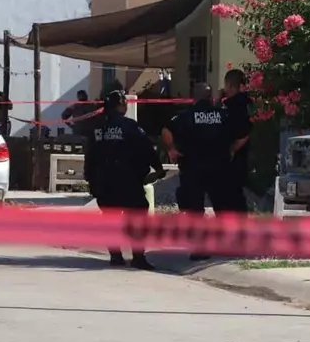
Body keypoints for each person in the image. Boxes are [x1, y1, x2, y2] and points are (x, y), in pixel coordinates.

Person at [85, 88, 165, 270]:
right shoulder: (130, 126)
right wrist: (158, 168)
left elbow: (89, 156)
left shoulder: (97, 128)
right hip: (128, 181)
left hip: (103, 182)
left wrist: (91, 180)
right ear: (121, 105)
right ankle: (138, 257)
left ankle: (116, 256)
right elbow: (146, 149)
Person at [162, 82, 233, 261]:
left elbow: (166, 130)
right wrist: (231, 150)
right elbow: (238, 133)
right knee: (223, 206)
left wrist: (171, 149)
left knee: (195, 210)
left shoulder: (185, 116)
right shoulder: (223, 114)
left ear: (194, 98)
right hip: (219, 168)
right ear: (211, 98)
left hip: (192, 168)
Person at [221, 69, 253, 212]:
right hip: (249, 158)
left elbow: (244, 133)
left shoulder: (232, 105)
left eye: (226, 86)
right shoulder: (250, 103)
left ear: (231, 86)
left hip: (235, 159)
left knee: (231, 198)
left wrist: (232, 150)